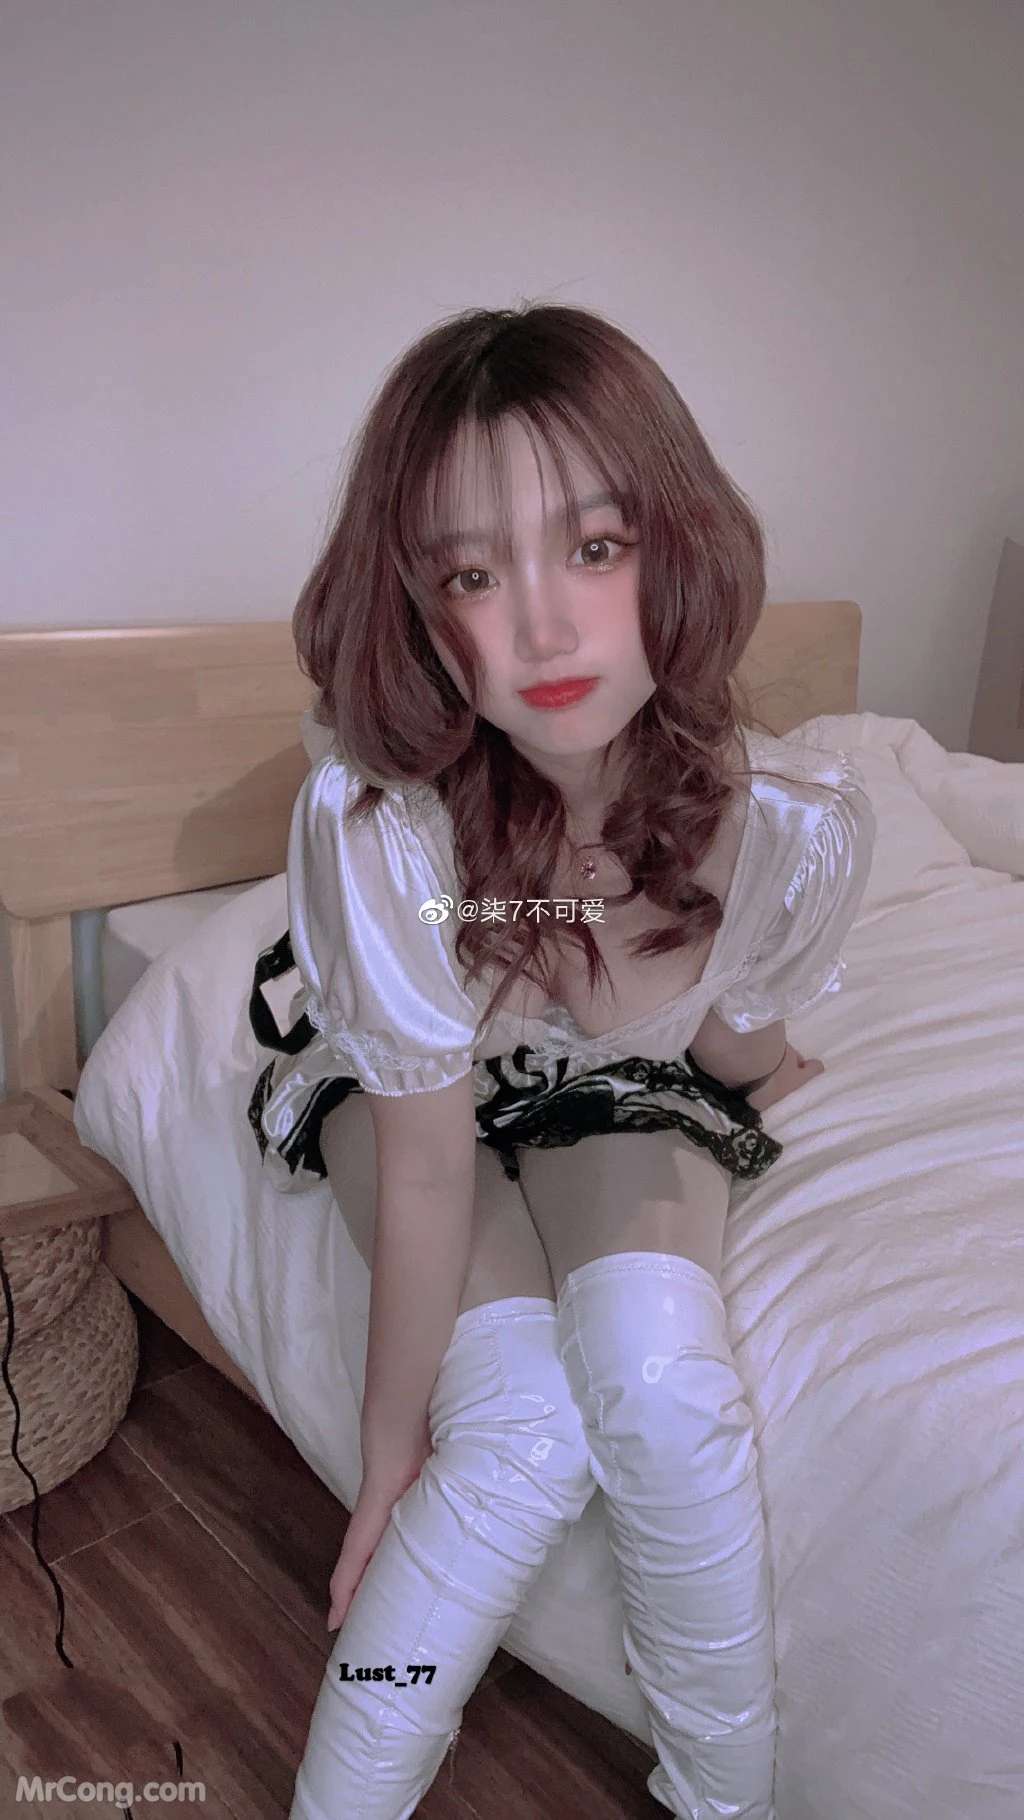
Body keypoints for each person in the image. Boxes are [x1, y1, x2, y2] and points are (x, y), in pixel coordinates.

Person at [245, 300, 877, 1819]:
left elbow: (729, 1029)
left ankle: (725, 1803)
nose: (541, 630)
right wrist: (388, 1460)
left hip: (608, 1096)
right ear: (417, 606)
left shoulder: (794, 829)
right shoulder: (380, 827)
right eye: (472, 574)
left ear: (680, 546)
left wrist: (761, 1061)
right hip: (412, 1101)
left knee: (661, 1387)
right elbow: (425, 1158)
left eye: (596, 548)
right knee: (519, 1426)